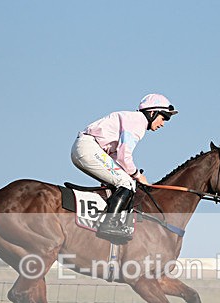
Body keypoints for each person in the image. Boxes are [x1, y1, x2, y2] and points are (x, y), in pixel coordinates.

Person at [71, 93, 178, 243]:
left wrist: (132, 175)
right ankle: (110, 224)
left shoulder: (133, 120)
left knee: (126, 181)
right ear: (152, 113)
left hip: (88, 148)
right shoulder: (137, 123)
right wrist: (138, 175)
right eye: (164, 117)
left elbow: (117, 157)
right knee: (127, 183)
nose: (163, 123)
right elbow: (123, 157)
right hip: (88, 148)